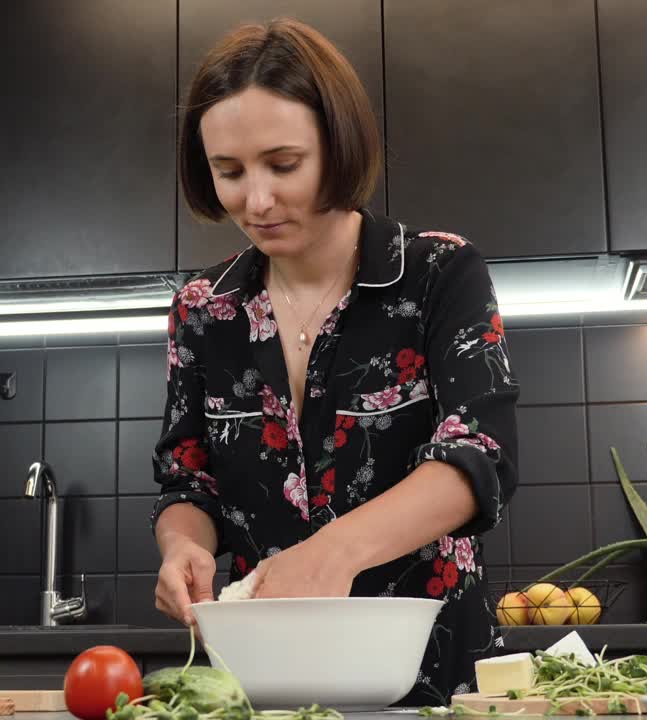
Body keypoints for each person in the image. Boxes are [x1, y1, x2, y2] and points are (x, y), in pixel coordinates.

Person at [149, 17, 519, 707]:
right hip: (266, 684)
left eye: (283, 165)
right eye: (228, 172)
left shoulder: (439, 272)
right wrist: (183, 549)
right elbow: (186, 479)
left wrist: (334, 551)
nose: (255, 201)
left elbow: (482, 455)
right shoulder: (202, 309)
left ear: (338, 144)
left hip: (433, 678)